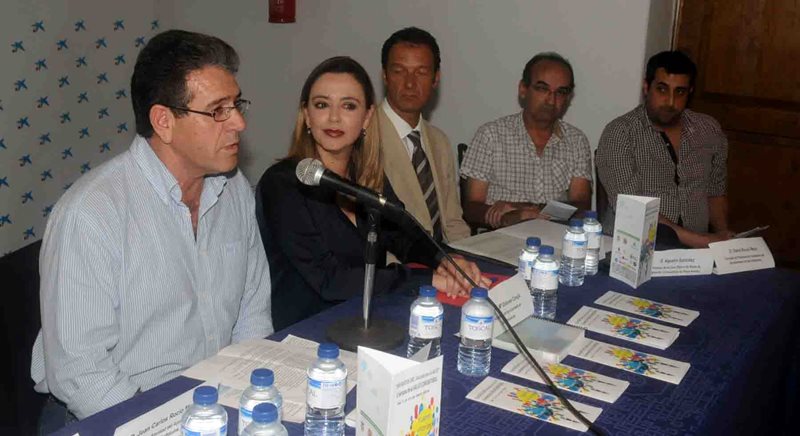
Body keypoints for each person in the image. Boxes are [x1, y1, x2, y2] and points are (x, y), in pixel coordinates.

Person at [30, 30, 273, 429]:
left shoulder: (234, 192)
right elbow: (81, 373)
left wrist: (246, 401)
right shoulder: (91, 214)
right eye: (218, 111)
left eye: (237, 104)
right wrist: (163, 425)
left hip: (210, 406)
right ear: (164, 121)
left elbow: (253, 315)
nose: (239, 123)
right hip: (112, 416)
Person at [257, 57, 488, 331]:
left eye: (348, 106)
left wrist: (446, 259)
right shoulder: (282, 183)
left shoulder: (366, 176)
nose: (334, 117)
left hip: (368, 318)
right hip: (306, 330)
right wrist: (425, 279)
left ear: (367, 117)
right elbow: (329, 280)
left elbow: (404, 235)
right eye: (322, 105)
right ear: (307, 115)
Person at [596, 51, 731, 248]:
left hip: (699, 251)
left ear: (690, 92)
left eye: (680, 92)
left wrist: (723, 240)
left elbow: (715, 192)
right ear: (646, 87)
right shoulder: (621, 133)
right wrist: (703, 241)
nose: (670, 101)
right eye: (662, 89)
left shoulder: (708, 130)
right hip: (635, 249)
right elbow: (633, 209)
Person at [461, 52, 592, 229]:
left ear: (568, 98)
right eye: (542, 89)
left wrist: (523, 209)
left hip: (555, 235)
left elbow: (582, 205)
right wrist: (509, 217)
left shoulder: (576, 141)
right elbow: (471, 208)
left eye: (560, 92)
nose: (551, 100)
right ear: (523, 89)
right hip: (500, 234)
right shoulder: (491, 135)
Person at [379, 27, 470, 242]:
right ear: (385, 76)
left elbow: (452, 222)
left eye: (421, 72)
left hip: (443, 256)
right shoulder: (363, 136)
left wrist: (467, 255)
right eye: (399, 71)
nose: (410, 83)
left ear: (436, 79)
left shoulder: (439, 141)